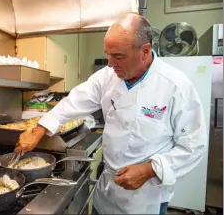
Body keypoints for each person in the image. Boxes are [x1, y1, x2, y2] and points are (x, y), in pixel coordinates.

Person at [14, 13, 207, 214]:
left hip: (145, 198)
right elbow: (74, 101)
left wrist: (148, 170)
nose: (110, 63)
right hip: (107, 192)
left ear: (145, 51)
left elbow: (194, 145)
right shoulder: (107, 77)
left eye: (118, 56)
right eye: (108, 54)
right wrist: (39, 129)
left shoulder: (175, 86)